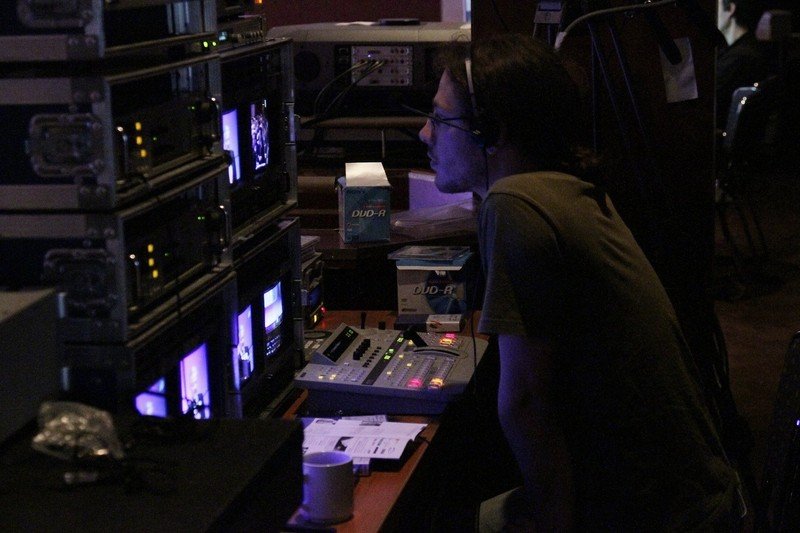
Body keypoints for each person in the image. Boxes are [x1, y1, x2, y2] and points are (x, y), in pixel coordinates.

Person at [417, 34, 743, 530]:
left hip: (654, 518)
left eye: (441, 119)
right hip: (691, 502)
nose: (425, 134)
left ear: (489, 131)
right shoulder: (565, 191)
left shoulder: (515, 204)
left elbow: (524, 403)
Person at [716, 0, 773, 129]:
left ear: (730, 9)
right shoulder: (749, 48)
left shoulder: (739, 57)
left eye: (715, 6)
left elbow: (709, 100)